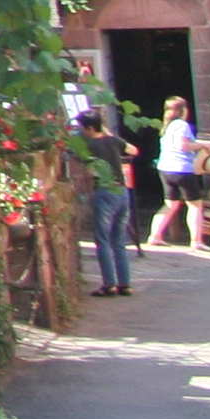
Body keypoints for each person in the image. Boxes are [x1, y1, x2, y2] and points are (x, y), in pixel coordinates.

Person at [79, 109, 134, 296]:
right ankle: (125, 284)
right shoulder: (113, 141)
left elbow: (87, 171)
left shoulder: (89, 145)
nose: (81, 131)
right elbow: (133, 150)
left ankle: (109, 283)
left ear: (89, 128)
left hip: (105, 191)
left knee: (103, 239)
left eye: (82, 127)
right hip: (122, 191)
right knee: (119, 241)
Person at [157, 97, 203, 252]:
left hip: (165, 168)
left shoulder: (167, 126)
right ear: (183, 110)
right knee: (195, 205)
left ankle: (155, 236)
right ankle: (196, 241)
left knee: (171, 204)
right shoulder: (182, 125)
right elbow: (183, 146)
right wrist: (204, 144)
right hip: (182, 169)